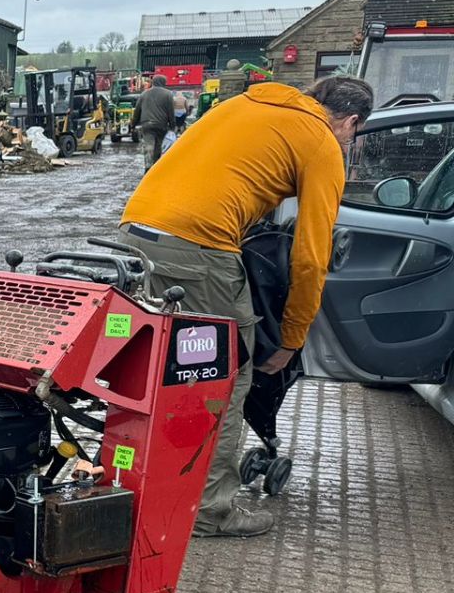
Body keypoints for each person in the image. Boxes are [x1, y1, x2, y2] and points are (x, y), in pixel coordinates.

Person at [117, 74, 374, 538]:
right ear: (351, 121)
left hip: (136, 229)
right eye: (353, 133)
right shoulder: (321, 141)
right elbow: (312, 256)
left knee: (164, 366)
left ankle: (137, 479)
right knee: (226, 373)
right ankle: (210, 511)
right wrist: (292, 338)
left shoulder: (242, 106)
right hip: (199, 248)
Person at [133, 71, 175, 168]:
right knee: (158, 147)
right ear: (164, 82)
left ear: (154, 82)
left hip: (146, 125)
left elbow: (137, 111)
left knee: (149, 146)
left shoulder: (144, 94)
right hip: (161, 125)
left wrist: (133, 124)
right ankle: (156, 168)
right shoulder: (168, 94)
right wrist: (172, 126)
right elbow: (171, 112)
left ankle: (148, 168)